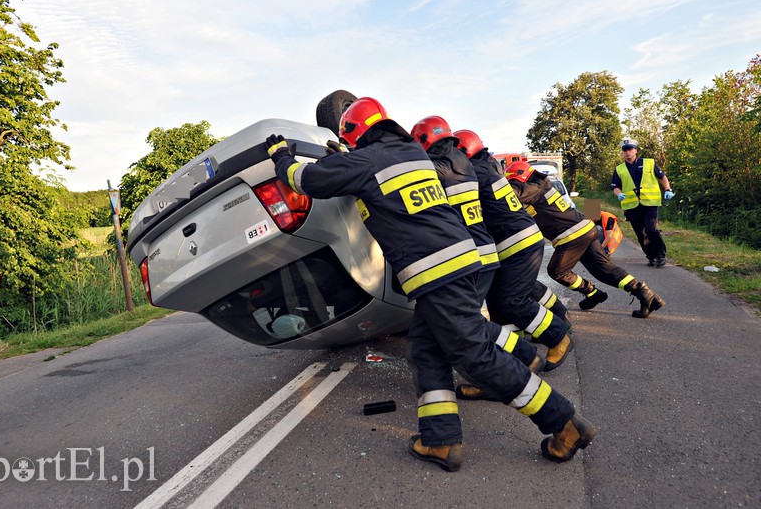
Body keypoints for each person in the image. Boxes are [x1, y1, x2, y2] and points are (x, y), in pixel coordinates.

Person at [265, 97, 596, 471]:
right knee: (425, 350)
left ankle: (563, 423)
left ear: (356, 133)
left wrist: (280, 154)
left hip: (437, 272)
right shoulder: (412, 154)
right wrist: (345, 156)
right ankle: (440, 440)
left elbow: (303, 180)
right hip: (459, 261)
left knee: (475, 356)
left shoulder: (367, 161)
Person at [410, 116, 543, 374]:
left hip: (473, 257)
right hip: (485, 252)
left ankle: (521, 359)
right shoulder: (466, 164)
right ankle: (524, 355)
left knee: (467, 320)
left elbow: (411, 173)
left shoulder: (442, 167)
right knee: (471, 317)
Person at [452, 129, 574, 376]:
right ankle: (514, 355)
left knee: (512, 301)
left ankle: (558, 335)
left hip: (517, 243)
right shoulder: (488, 165)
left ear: (464, 152)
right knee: (497, 303)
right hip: (514, 241)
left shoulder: (474, 171)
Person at [505, 161, 665, 319]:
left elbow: (511, 195)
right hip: (585, 228)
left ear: (519, 178)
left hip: (571, 235)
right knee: (604, 270)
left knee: (556, 271)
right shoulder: (541, 184)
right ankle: (645, 294)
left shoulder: (532, 188)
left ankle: (592, 292)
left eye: (512, 182)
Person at [611, 138, 675, 267]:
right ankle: (651, 256)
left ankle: (660, 255)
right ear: (622, 153)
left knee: (651, 229)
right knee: (640, 233)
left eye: (630, 149)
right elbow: (615, 187)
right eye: (625, 150)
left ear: (635, 150)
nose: (627, 152)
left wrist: (668, 189)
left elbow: (662, 177)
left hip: (650, 203)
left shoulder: (648, 163)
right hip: (631, 205)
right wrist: (619, 194)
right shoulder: (619, 169)